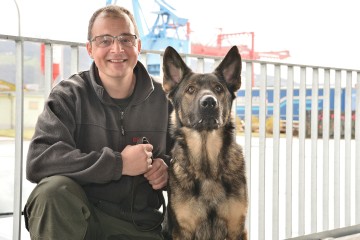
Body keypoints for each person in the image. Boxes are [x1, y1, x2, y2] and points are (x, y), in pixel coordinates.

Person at [24, 5, 172, 240]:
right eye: (105, 40)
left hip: (140, 225)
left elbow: (191, 164)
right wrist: (119, 164)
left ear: (138, 46)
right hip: (79, 218)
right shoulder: (68, 96)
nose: (117, 48)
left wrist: (168, 171)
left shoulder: (164, 101)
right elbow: (40, 161)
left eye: (126, 39)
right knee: (51, 192)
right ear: (90, 49)